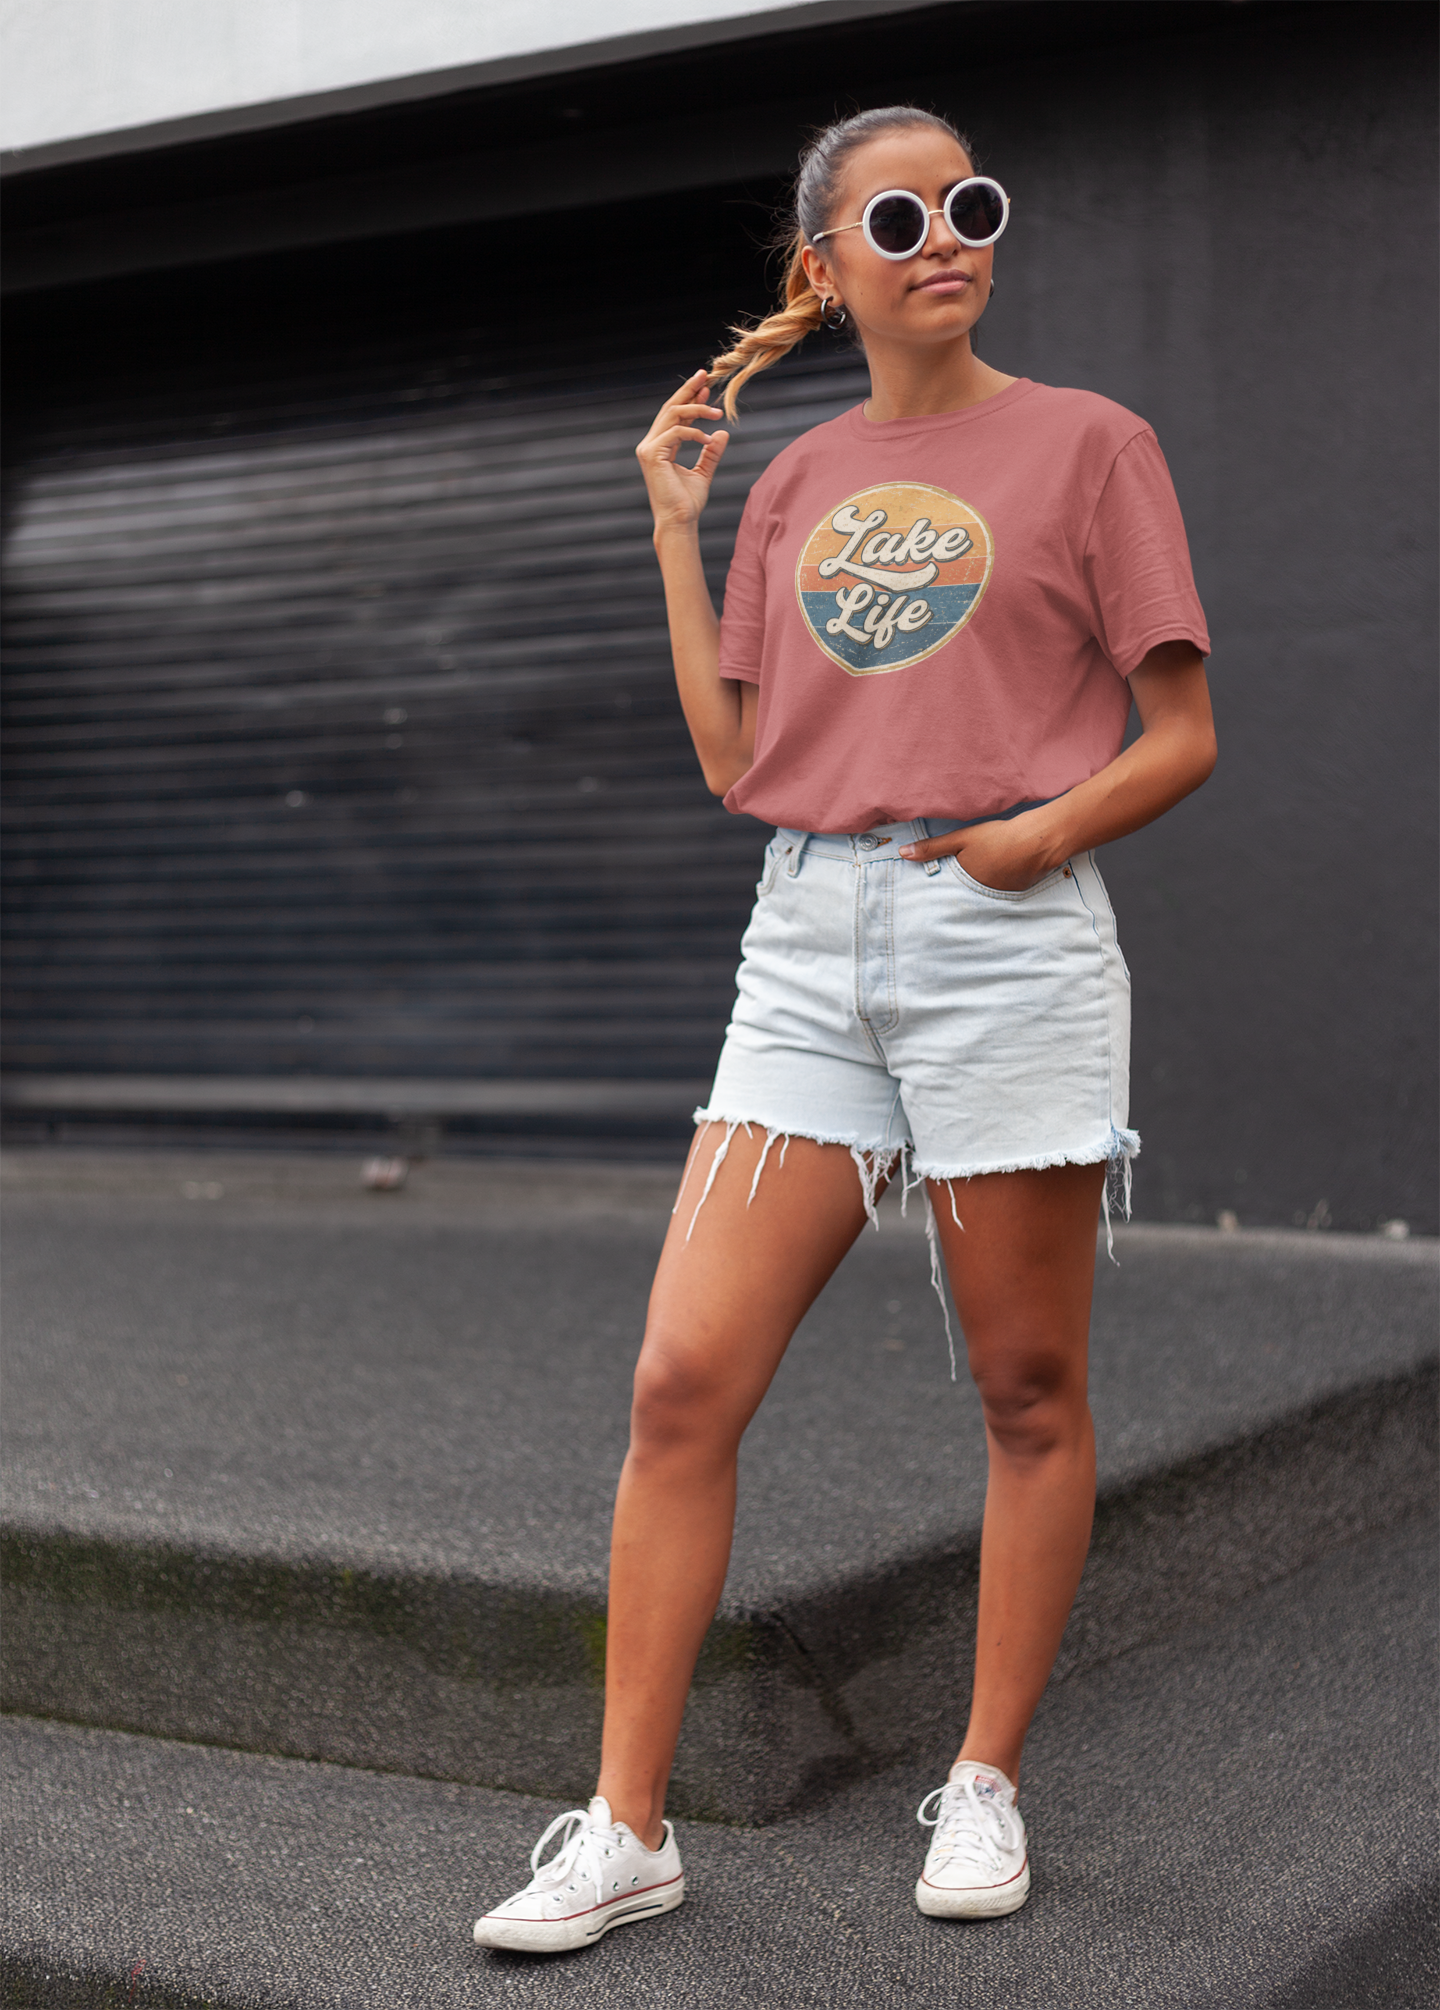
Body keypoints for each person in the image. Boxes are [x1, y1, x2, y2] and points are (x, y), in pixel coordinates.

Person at [473, 103, 1215, 1953]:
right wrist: (676, 522)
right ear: (827, 268)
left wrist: (1036, 835)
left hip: (1006, 934)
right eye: (901, 215)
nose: (946, 234)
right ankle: (627, 1823)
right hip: (805, 939)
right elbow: (740, 762)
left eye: (971, 203)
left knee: (1027, 1389)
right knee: (679, 1382)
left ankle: (984, 1774)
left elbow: (1183, 731)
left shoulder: (1091, 445)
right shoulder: (794, 487)